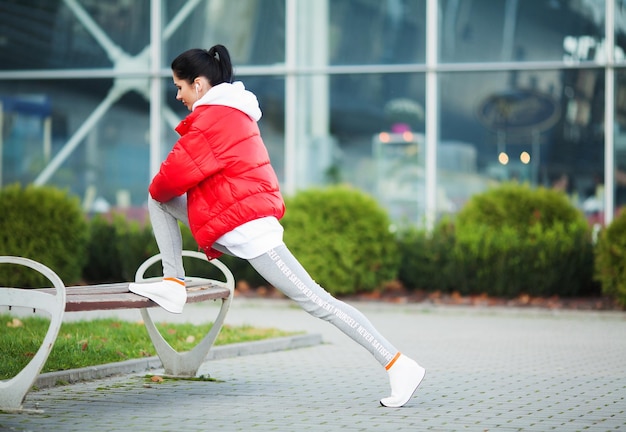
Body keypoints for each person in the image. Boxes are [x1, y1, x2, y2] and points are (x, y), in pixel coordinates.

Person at [128, 44, 425, 408]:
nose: (178, 96)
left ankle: (398, 364)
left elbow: (168, 179)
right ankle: (173, 283)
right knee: (156, 200)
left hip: (251, 231)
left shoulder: (214, 119)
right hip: (232, 222)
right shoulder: (229, 114)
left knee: (319, 302)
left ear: (200, 84)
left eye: (180, 87)